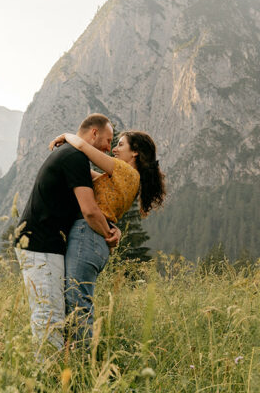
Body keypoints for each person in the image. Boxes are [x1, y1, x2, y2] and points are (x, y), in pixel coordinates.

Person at [14, 114, 121, 354]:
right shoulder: (75, 158)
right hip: (39, 245)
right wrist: (109, 236)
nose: (109, 148)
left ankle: (54, 373)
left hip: (45, 243)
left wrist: (115, 229)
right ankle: (44, 379)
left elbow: (93, 205)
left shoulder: (75, 157)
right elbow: (90, 211)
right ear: (94, 133)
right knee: (48, 314)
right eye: (108, 140)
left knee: (54, 312)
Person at [50, 129, 166, 345]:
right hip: (96, 240)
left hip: (88, 235)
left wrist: (66, 136)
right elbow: (87, 173)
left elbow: (84, 147)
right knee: (79, 300)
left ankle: (81, 366)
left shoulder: (126, 171)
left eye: (121, 145)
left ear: (135, 153)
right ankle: (75, 361)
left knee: (78, 304)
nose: (114, 148)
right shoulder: (124, 178)